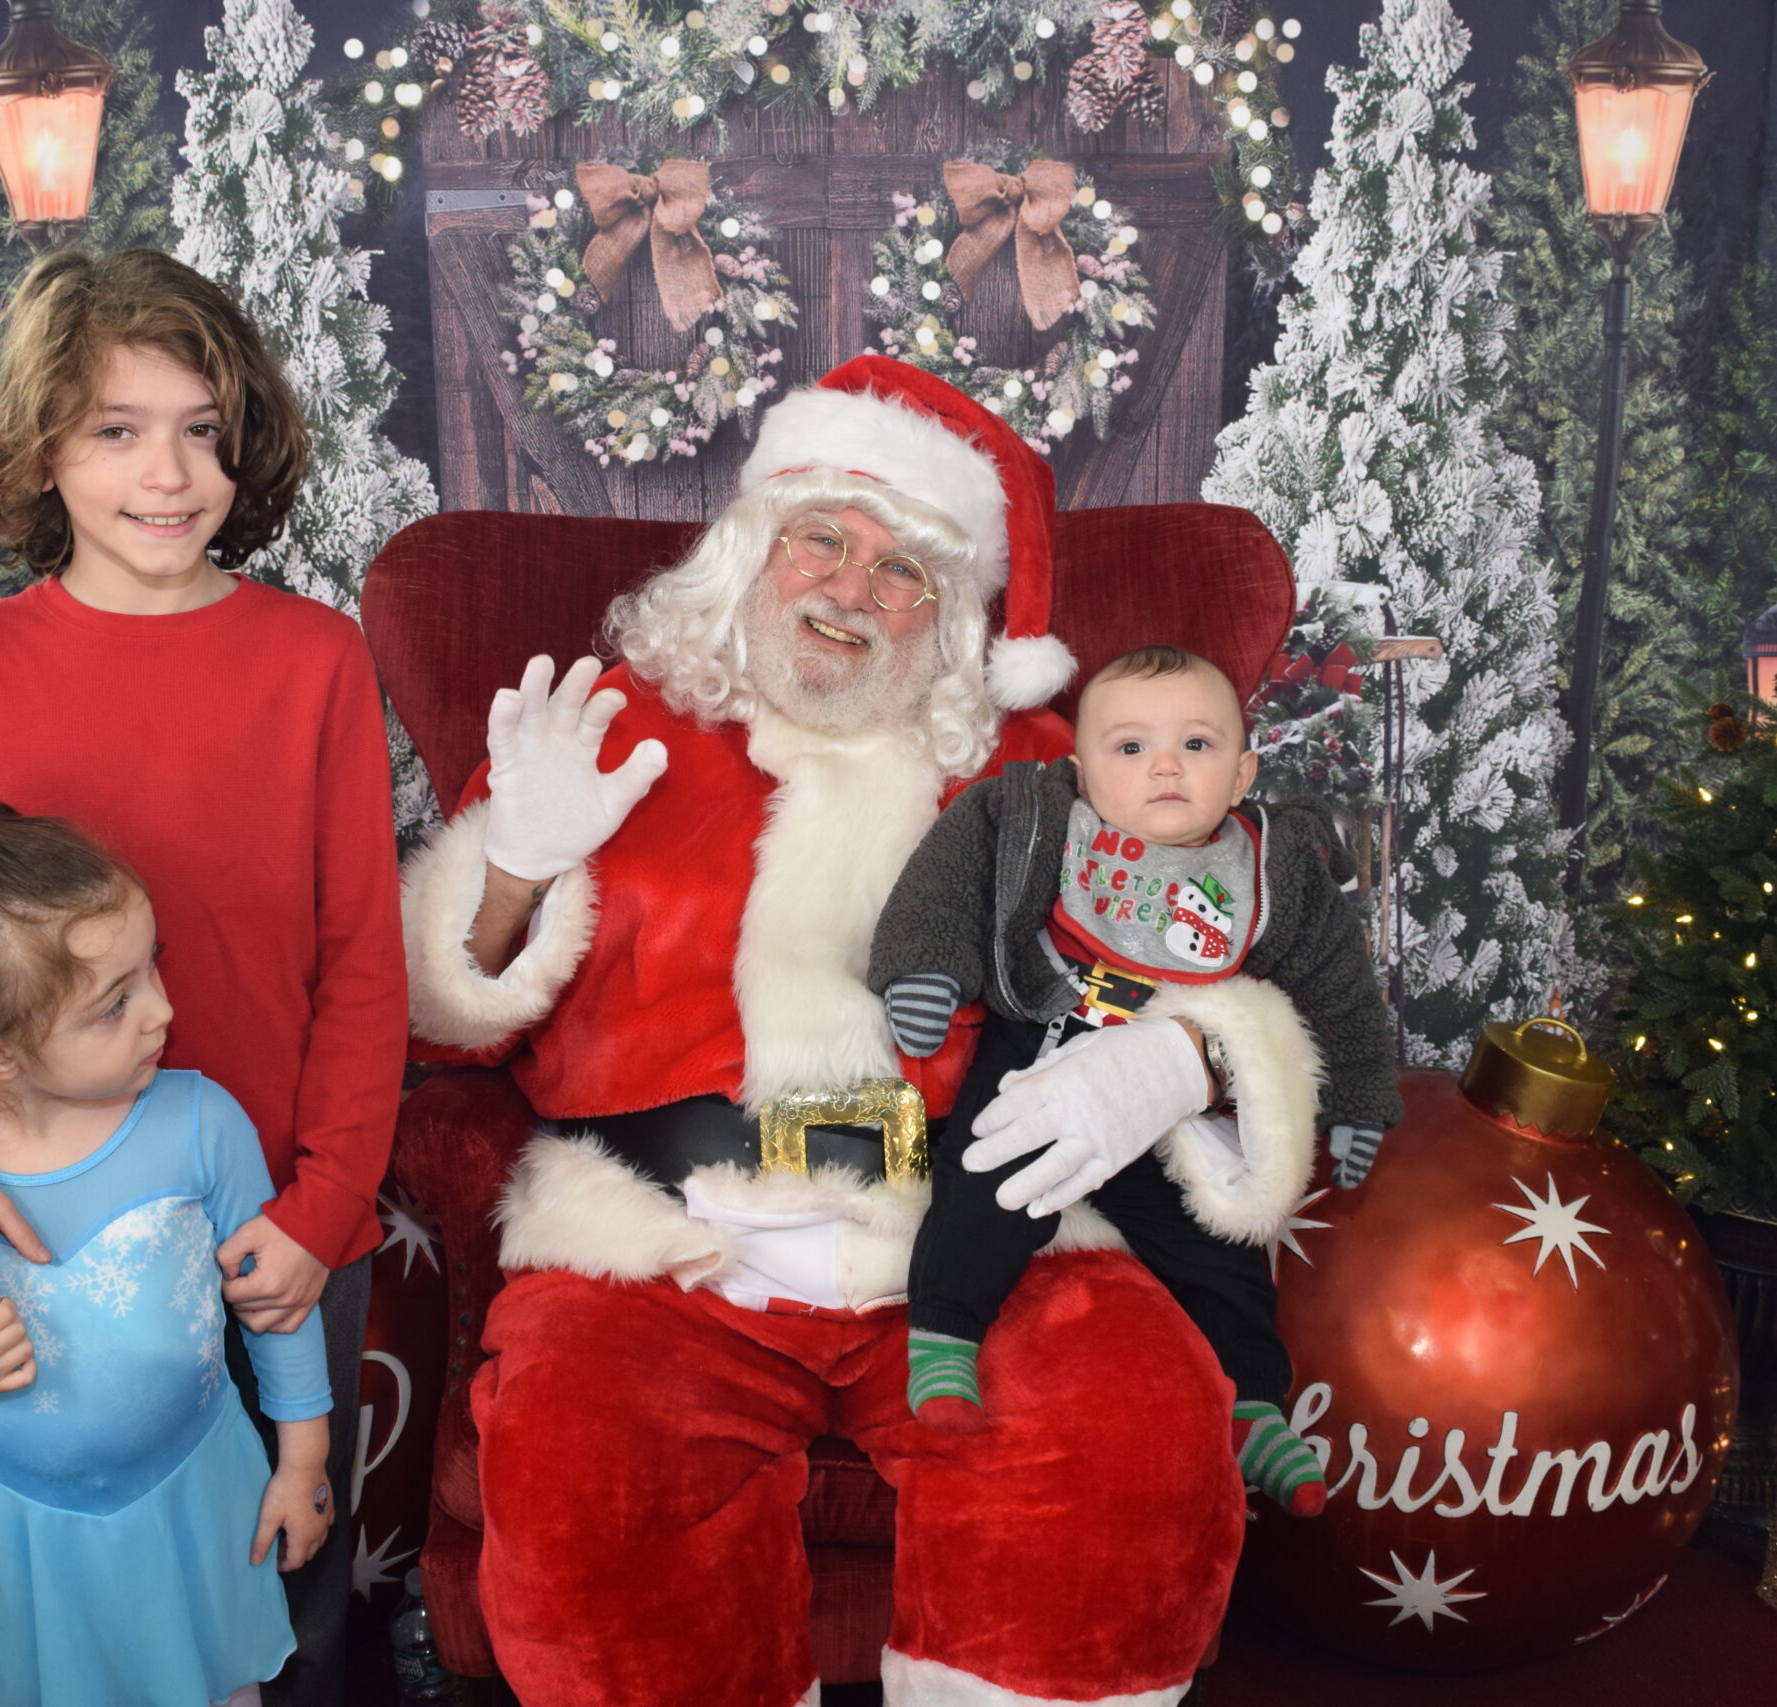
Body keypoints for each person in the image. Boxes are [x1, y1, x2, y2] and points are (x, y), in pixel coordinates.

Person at [401, 356, 1327, 1706]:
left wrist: (1178, 1053)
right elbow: (451, 1031)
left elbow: (1213, 949)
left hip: (982, 1237)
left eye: (905, 572)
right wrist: (512, 871)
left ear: (953, 619)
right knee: (588, 1482)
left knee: (1132, 1429)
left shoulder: (1042, 768)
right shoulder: (601, 729)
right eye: (821, 539)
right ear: (751, 547)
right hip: (664, 1243)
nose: (850, 591)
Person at [0, 248, 408, 1703]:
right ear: (45, 446)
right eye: (116, 428)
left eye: (202, 430)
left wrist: (327, 1204)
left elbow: (363, 957)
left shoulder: (316, 659)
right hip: (41, 1209)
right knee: (80, 1573)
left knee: (275, 1579)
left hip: (280, 1208)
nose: (169, 474)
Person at [0, 758, 333, 1707]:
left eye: (153, 965)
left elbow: (278, 1306)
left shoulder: (201, 1123)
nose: (163, 1010)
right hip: (30, 1546)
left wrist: (303, 1459)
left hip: (198, 1509)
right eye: (115, 1003)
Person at [868, 643, 1403, 1512]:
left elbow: (1338, 985)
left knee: (1220, 1246)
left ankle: (1255, 1406)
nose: (1165, 766)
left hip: (1177, 1080)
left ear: (1242, 774)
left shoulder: (1273, 870)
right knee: (988, 1180)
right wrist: (926, 967)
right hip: (1047, 1035)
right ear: (1082, 772)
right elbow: (948, 878)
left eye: (1197, 744)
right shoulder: (1036, 814)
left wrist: (1357, 1094)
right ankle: (945, 1336)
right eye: (1130, 747)